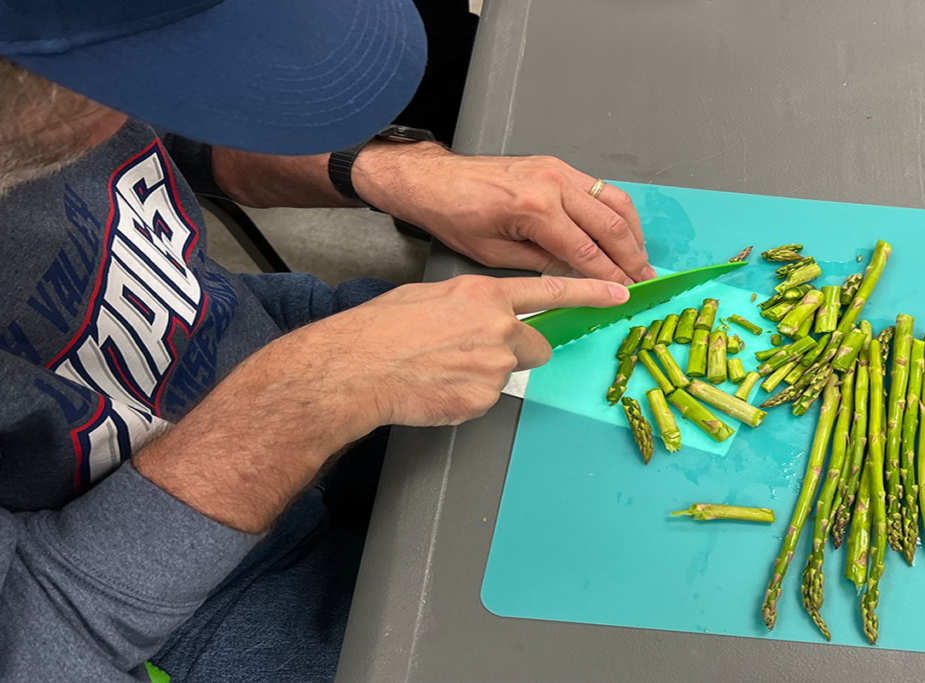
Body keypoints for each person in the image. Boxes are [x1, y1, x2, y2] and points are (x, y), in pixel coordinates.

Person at [0, 1, 653, 681]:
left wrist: (387, 172)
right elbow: (40, 636)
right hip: (173, 596)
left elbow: (177, 120)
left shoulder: (60, 91)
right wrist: (306, 397)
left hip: (272, 335)